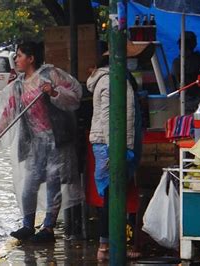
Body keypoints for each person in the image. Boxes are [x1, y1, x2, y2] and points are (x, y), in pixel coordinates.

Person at [0, 41, 84, 243]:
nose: (16, 59)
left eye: (19, 55)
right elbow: (7, 115)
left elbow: (74, 97)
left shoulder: (50, 75)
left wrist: (54, 92)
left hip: (55, 140)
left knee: (53, 183)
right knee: (29, 185)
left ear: (31, 58)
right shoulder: (18, 87)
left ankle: (48, 228)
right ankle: (28, 225)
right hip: (34, 143)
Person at [87, 41, 146, 261]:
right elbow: (109, 118)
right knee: (112, 195)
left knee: (114, 194)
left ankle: (109, 244)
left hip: (115, 144)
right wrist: (116, 151)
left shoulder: (115, 78)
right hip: (112, 145)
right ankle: (105, 246)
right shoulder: (112, 80)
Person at [171, 31, 200, 112]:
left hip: (197, 103)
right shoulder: (177, 62)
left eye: (185, 44)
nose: (182, 46)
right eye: (181, 44)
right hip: (188, 102)